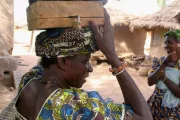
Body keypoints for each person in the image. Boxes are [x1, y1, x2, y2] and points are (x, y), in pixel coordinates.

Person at [14, 9, 152, 120]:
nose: (90, 68)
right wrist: (112, 56)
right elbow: (144, 116)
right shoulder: (78, 105)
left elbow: (48, 54)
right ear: (62, 61)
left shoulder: (29, 80)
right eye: (85, 61)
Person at [147, 30, 180, 119]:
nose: (166, 46)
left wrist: (163, 77)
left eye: (169, 42)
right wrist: (164, 63)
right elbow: (150, 82)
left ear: (178, 43)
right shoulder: (159, 61)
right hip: (155, 103)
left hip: (174, 109)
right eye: (165, 43)